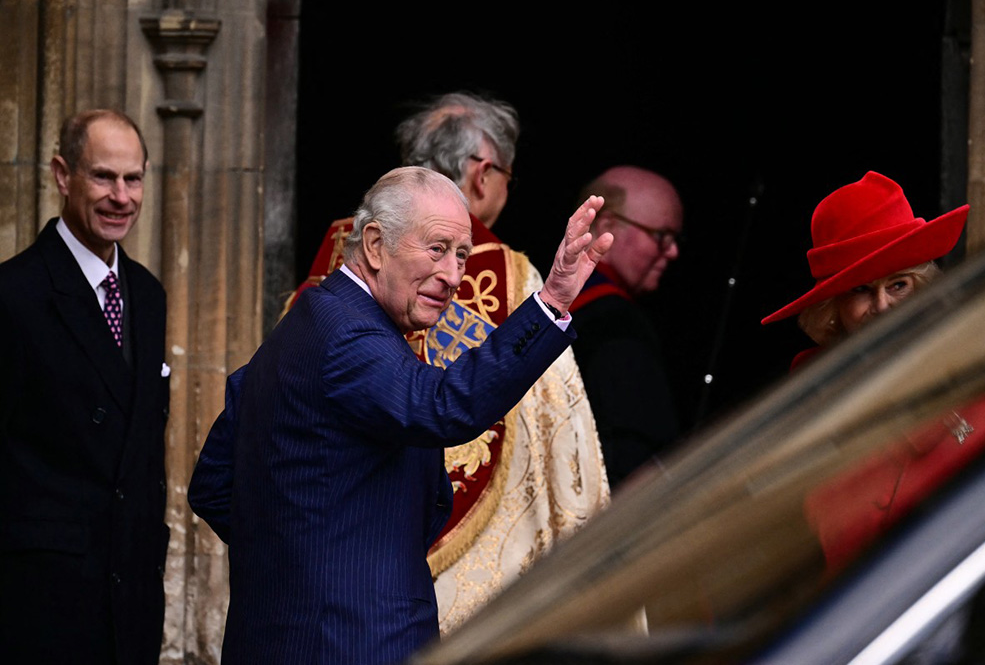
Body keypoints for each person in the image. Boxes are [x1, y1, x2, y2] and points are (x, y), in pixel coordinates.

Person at [188, 166, 613, 664]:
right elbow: (444, 405)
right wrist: (552, 302)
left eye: (461, 256)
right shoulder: (348, 335)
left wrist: (293, 567)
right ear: (373, 244)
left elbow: (213, 484)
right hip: (353, 643)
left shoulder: (306, 325)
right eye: (437, 249)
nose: (454, 276)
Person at [282, 91, 609, 632]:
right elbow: (560, 447)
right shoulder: (517, 279)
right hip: (424, 608)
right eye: (507, 176)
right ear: (482, 175)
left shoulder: (333, 266)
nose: (453, 276)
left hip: (327, 594)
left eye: (457, 256)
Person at [760, 170, 985, 574]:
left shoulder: (974, 374)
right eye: (861, 290)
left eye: (899, 285)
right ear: (831, 311)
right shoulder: (810, 408)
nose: (884, 306)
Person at [0, 109, 169, 664]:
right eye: (103, 176)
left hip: (131, 604)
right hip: (41, 608)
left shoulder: (146, 295)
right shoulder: (15, 295)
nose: (121, 196)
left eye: (133, 178)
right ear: (61, 175)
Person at [569, 165, 684, 488]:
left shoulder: (532, 293)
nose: (673, 251)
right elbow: (638, 459)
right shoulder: (617, 324)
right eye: (662, 236)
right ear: (607, 227)